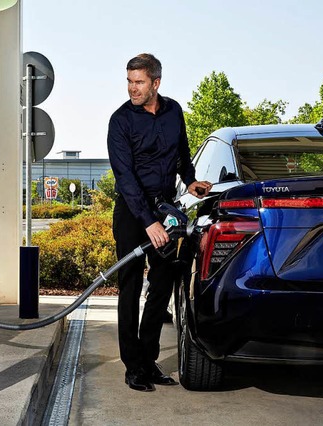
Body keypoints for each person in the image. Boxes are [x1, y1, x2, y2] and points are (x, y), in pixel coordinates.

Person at [107, 53, 212, 392]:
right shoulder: (120, 121)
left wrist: (191, 179)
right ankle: (132, 366)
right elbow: (125, 178)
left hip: (164, 209)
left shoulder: (173, 112)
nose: (131, 88)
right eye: (128, 81)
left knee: (164, 281)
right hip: (132, 212)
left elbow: (181, 152)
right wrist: (148, 222)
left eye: (138, 82)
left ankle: (148, 359)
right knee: (131, 285)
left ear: (156, 83)